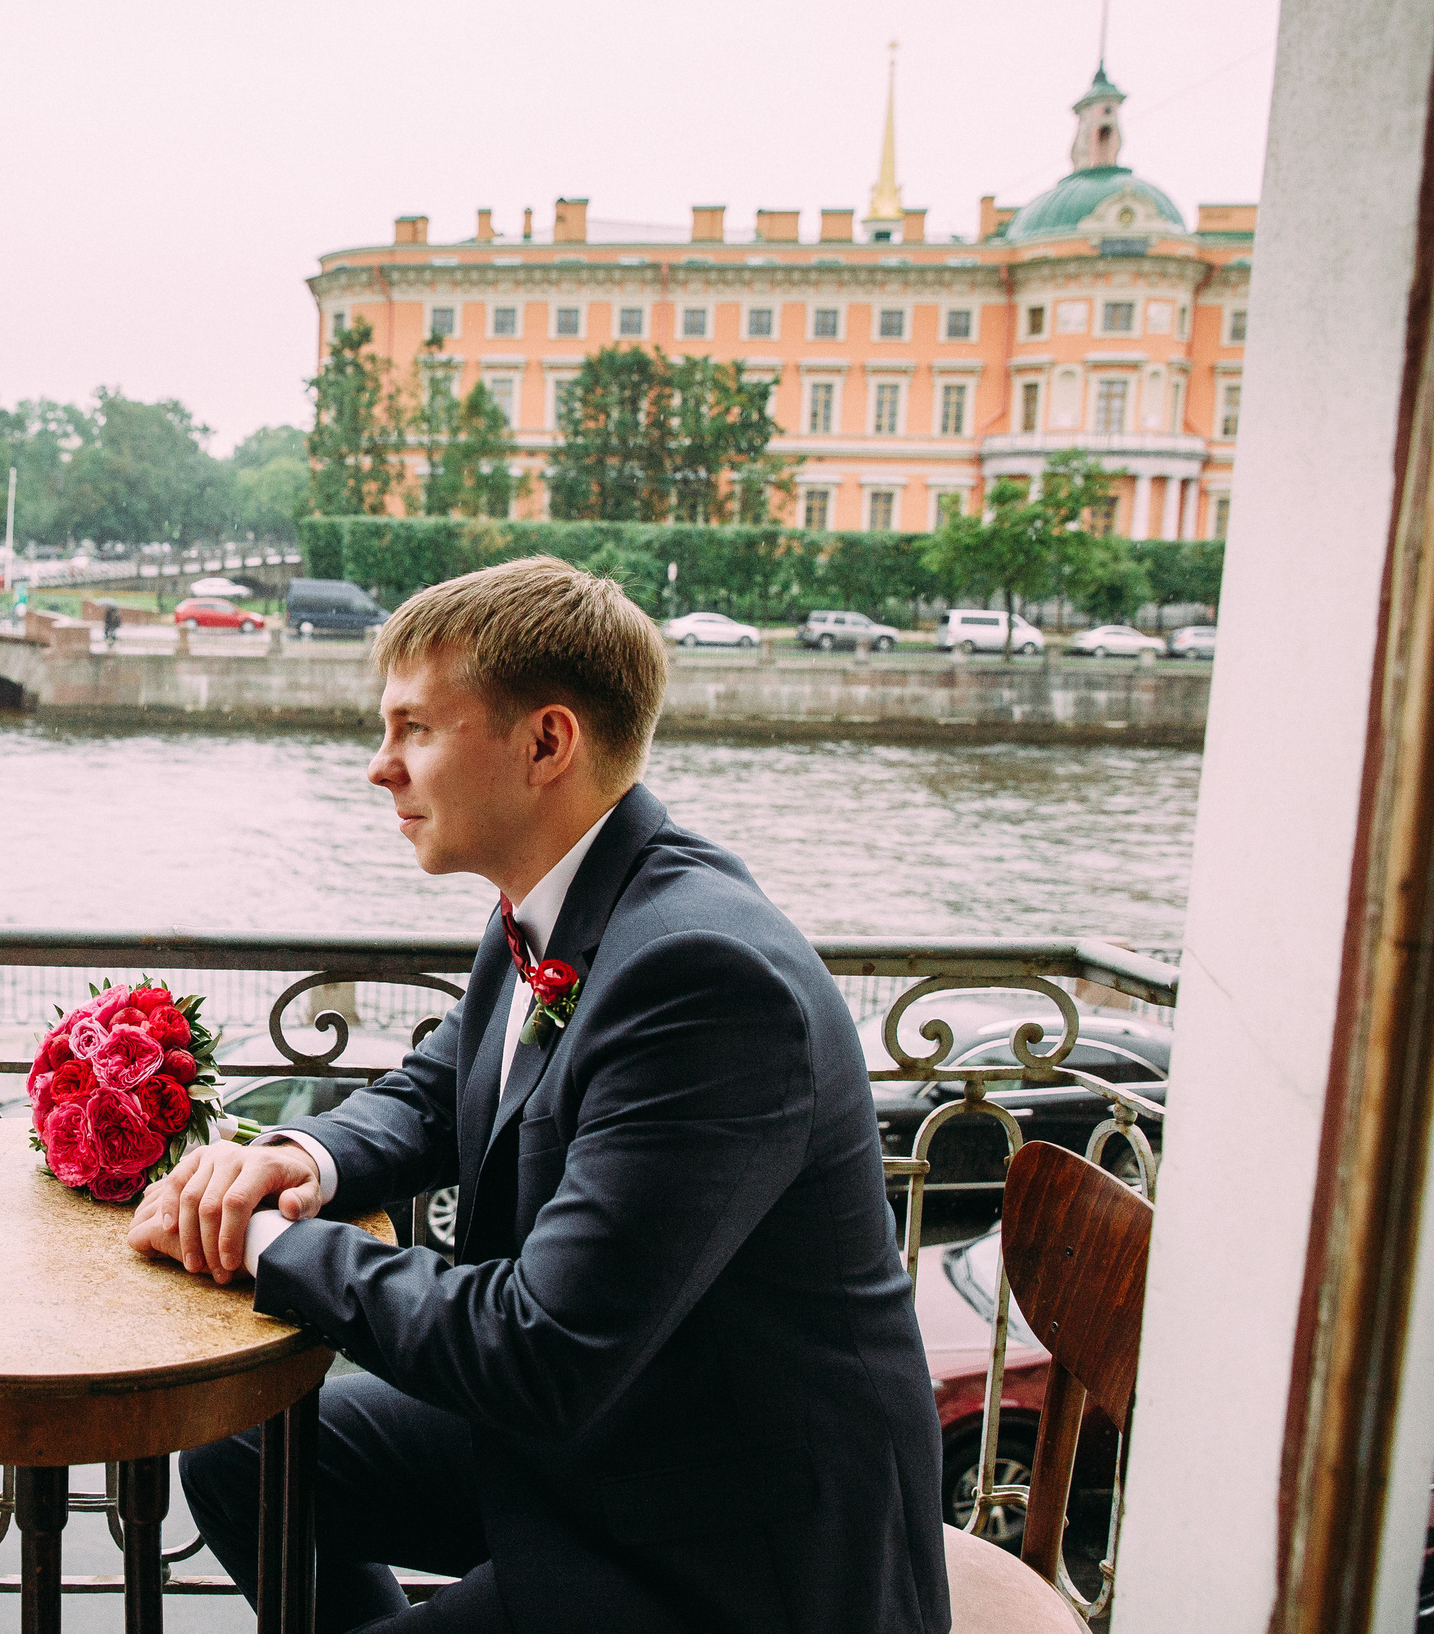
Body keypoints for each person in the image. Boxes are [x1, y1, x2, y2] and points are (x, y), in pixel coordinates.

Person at [129, 556, 949, 1634]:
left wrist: (270, 1245)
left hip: (730, 1541)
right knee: (239, 1457)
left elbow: (539, 1351)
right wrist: (301, 1162)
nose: (379, 769)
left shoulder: (703, 978)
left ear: (545, 742)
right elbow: (440, 1086)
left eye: (415, 730)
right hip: (614, 1434)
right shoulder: (566, 891)